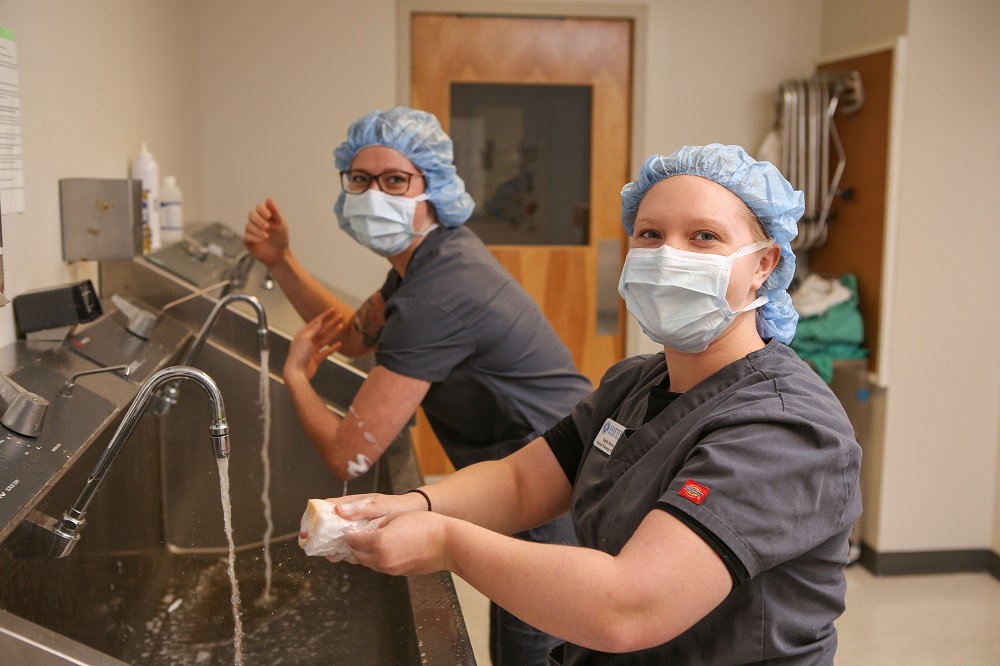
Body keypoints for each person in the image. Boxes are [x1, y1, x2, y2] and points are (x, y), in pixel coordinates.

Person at [321, 144, 863, 664]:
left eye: (704, 237)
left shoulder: (783, 426)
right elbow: (523, 483)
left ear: (764, 263)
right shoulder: (634, 383)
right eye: (650, 234)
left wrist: (446, 543)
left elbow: (629, 607)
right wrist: (418, 505)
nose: (669, 255)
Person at [243, 106, 592, 666]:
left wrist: (295, 380)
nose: (373, 193)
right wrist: (281, 262)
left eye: (394, 180)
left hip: (553, 487)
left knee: (537, 647)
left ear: (432, 188)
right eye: (360, 179)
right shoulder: (427, 260)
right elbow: (356, 336)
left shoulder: (435, 293)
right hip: (537, 470)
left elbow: (348, 455)